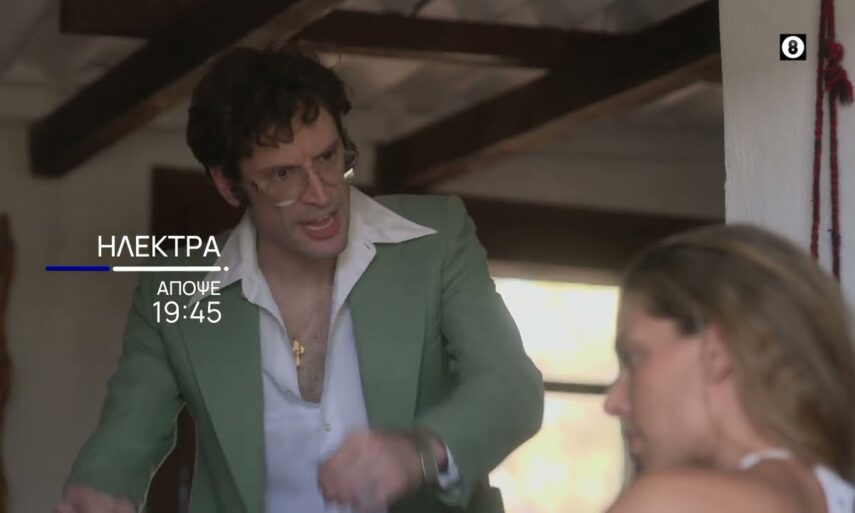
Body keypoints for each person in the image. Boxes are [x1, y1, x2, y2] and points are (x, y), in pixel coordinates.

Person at [55, 46, 543, 513]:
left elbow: (512, 388)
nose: (322, 195)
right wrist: (98, 489)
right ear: (229, 184)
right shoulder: (174, 288)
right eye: (283, 176)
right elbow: (128, 434)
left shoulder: (436, 241)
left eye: (328, 158)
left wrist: (419, 452)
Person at [604, 224, 855, 513]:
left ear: (716, 351)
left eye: (634, 357)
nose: (613, 403)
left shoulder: (667, 504)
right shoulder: (826, 497)